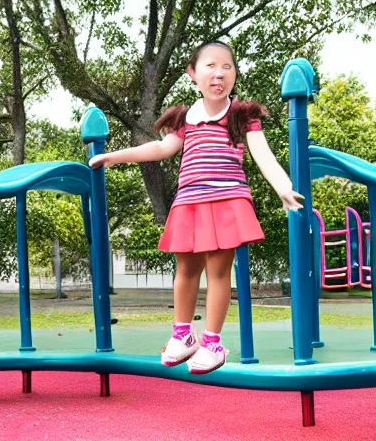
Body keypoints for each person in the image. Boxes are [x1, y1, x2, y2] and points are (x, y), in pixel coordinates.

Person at [89, 41, 303, 374]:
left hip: (228, 200)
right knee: (186, 270)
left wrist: (284, 188)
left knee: (218, 272)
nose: (219, 73)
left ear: (234, 75)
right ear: (193, 73)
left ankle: (213, 343)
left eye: (227, 67)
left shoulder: (240, 115)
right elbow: (160, 149)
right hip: (190, 202)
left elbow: (263, 156)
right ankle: (183, 335)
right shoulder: (186, 118)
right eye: (210, 66)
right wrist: (114, 156)